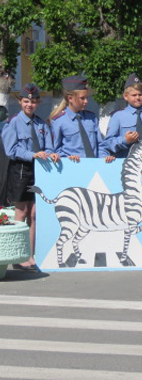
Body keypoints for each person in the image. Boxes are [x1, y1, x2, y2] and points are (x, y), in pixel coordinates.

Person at [2, 83, 60, 270]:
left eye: (33, 102)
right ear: (20, 102)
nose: (30, 105)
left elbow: (49, 145)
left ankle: (31, 254)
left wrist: (51, 153)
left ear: (38, 102)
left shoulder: (41, 123)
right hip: (21, 170)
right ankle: (19, 255)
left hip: (40, 170)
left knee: (35, 213)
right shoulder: (13, 123)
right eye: (26, 101)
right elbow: (11, 150)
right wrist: (32, 154)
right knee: (22, 212)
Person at [50, 75, 112, 162]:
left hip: (93, 167)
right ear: (70, 98)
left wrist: (104, 157)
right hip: (73, 168)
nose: (86, 101)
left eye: (87, 98)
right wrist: (67, 158)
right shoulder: (58, 121)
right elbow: (56, 149)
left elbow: (100, 144)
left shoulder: (91, 118)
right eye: (82, 98)